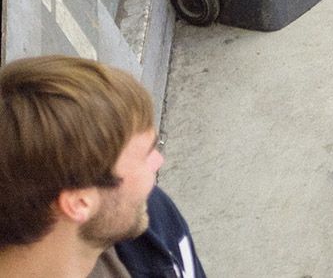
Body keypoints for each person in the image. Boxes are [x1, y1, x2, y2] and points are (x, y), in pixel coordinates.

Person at [0, 55, 206, 278]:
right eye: (146, 155)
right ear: (79, 203)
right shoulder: (135, 213)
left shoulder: (150, 218)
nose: (158, 162)